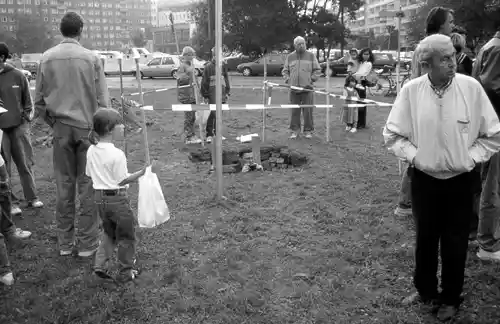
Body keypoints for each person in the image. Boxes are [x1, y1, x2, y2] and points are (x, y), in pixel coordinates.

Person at [383, 34, 500, 321]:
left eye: (453, 56)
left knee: (455, 241)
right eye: (445, 58)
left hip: (461, 181)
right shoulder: (411, 91)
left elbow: (492, 135)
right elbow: (393, 134)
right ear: (427, 64)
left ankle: (450, 297)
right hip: (424, 180)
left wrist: (469, 158)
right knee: (425, 239)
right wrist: (416, 156)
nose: (453, 62)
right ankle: (425, 291)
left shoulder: (471, 88)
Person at [34, 12, 109, 257]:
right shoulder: (91, 59)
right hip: (87, 129)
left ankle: (65, 243)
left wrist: (54, 123)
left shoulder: (46, 58)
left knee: (64, 187)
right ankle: (87, 244)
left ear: (61, 30)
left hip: (61, 130)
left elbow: (39, 103)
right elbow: (103, 101)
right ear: (81, 31)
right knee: (87, 187)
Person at [395, 6, 455, 219]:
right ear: (440, 24)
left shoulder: (429, 45)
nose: (453, 26)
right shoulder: (431, 47)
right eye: (449, 22)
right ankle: (406, 202)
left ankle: (410, 201)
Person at [86, 108, 158, 282]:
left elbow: (89, 174)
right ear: (110, 129)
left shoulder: (91, 150)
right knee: (126, 235)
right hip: (116, 200)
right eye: (120, 124)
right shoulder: (116, 154)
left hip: (99, 199)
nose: (124, 127)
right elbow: (122, 180)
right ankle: (126, 271)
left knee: (109, 232)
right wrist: (144, 172)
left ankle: (99, 266)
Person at [0, 42, 43, 215]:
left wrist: (26, 118)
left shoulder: (17, 75)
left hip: (19, 127)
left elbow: (28, 100)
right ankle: (12, 203)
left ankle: (32, 198)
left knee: (25, 163)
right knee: (5, 168)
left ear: (2, 58)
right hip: (1, 132)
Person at [472, 29, 500, 261]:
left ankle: (477, 232)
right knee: (492, 184)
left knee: (483, 181)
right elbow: (490, 85)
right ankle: (487, 243)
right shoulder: (497, 48)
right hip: (494, 126)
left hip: (486, 123)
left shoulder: (488, 47)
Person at [282, 36, 321, 139]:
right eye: (299, 44)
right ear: (295, 45)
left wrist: (311, 80)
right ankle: (295, 131)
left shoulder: (311, 56)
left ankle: (308, 131)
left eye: (303, 43)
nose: (301, 45)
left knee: (307, 111)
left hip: (307, 89)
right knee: (294, 111)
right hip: (294, 89)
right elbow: (285, 71)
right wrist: (287, 79)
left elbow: (317, 70)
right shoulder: (290, 57)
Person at [200, 47, 230, 143]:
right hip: (212, 95)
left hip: (222, 94)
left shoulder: (223, 66)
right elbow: (204, 82)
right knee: (213, 114)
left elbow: (226, 80)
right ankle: (209, 134)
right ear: (214, 56)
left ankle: (217, 133)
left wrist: (227, 92)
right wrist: (205, 95)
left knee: (219, 114)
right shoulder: (208, 67)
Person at [178, 46, 202, 144]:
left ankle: (192, 134)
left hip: (193, 95)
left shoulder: (191, 65)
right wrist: (188, 73)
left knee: (192, 117)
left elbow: (195, 81)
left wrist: (199, 91)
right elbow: (180, 79)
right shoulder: (182, 66)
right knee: (189, 117)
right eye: (190, 55)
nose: (192, 57)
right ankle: (189, 136)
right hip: (186, 96)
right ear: (186, 55)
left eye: (193, 54)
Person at [352, 47, 375, 129]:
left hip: (361, 84)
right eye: (365, 54)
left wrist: (354, 75)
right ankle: (354, 122)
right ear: (361, 54)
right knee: (354, 104)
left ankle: (361, 123)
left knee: (361, 104)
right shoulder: (360, 62)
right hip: (354, 84)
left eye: (368, 54)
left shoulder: (368, 64)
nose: (366, 56)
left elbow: (361, 74)